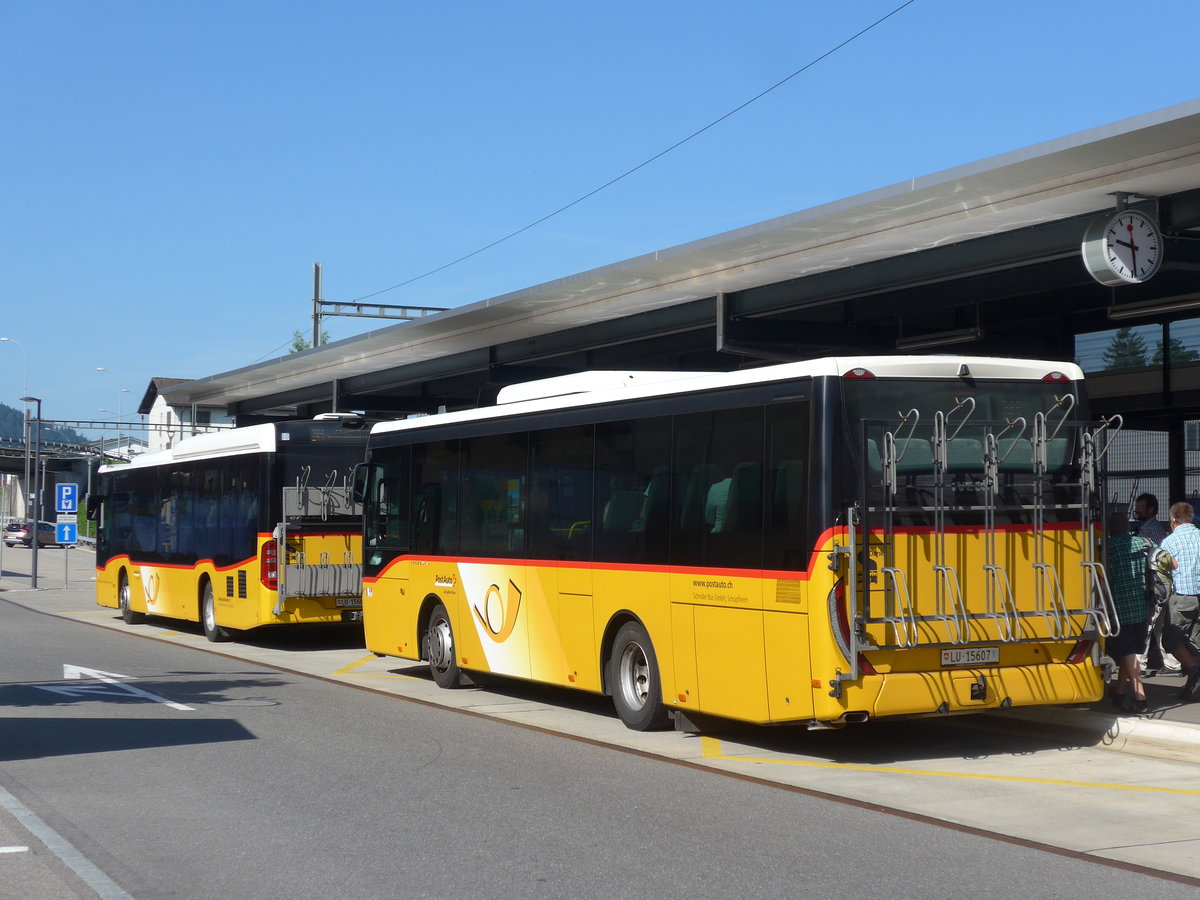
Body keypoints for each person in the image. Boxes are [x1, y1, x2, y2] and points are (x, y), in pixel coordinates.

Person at [1104, 511, 1151, 713]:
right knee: (1128, 651)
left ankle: (1141, 698)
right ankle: (1119, 692)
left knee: (1128, 652)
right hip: (1142, 605)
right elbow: (1167, 561)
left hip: (1120, 608)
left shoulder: (1109, 547)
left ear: (1110, 529)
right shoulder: (1143, 543)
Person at [1158, 501, 1200, 701]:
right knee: (1196, 641)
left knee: (1171, 639)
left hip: (1182, 597)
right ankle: (1194, 682)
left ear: (1173, 520)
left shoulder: (1169, 542)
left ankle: (1193, 669)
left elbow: (1162, 570)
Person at [1134, 493, 1179, 675]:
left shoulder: (1151, 530)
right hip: (1161, 586)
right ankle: (1172, 664)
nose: (1136, 510)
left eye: (1139, 507)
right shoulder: (1152, 528)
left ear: (1151, 509)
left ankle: (1140, 664)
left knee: (1147, 625)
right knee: (1159, 626)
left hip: (1154, 585)